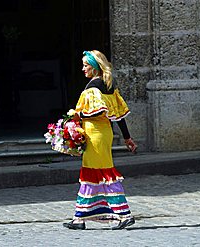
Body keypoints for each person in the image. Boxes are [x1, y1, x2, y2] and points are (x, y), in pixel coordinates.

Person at [63, 50, 138, 230]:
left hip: (95, 134)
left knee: (103, 173)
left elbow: (96, 111)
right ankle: (79, 217)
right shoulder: (108, 85)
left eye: (85, 65)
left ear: (95, 67)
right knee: (93, 173)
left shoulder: (93, 87)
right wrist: (127, 137)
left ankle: (124, 214)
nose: (83, 69)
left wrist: (76, 116)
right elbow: (119, 116)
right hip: (103, 133)